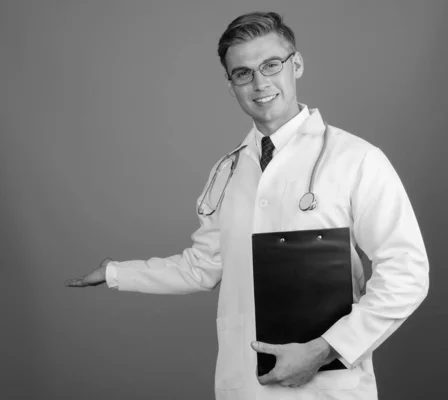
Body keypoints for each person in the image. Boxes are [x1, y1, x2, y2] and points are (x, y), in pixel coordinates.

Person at [65, 11, 429, 400]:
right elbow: (202, 267)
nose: (260, 83)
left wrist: (326, 350)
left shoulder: (356, 159)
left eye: (271, 65)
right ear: (231, 85)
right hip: (244, 386)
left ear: (297, 65)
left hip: (328, 387)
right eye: (243, 73)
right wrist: (116, 273)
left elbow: (407, 274)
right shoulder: (227, 171)